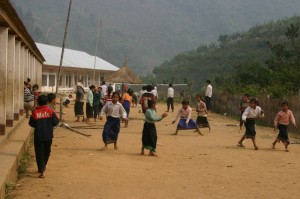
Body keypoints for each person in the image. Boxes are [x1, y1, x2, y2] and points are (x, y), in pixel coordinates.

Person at [29, 95, 59, 178]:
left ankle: (41, 169)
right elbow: (56, 122)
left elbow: (31, 123)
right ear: (46, 102)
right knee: (47, 152)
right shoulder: (50, 111)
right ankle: (43, 166)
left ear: (38, 102)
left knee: (39, 153)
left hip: (38, 136)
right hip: (48, 136)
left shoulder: (35, 112)